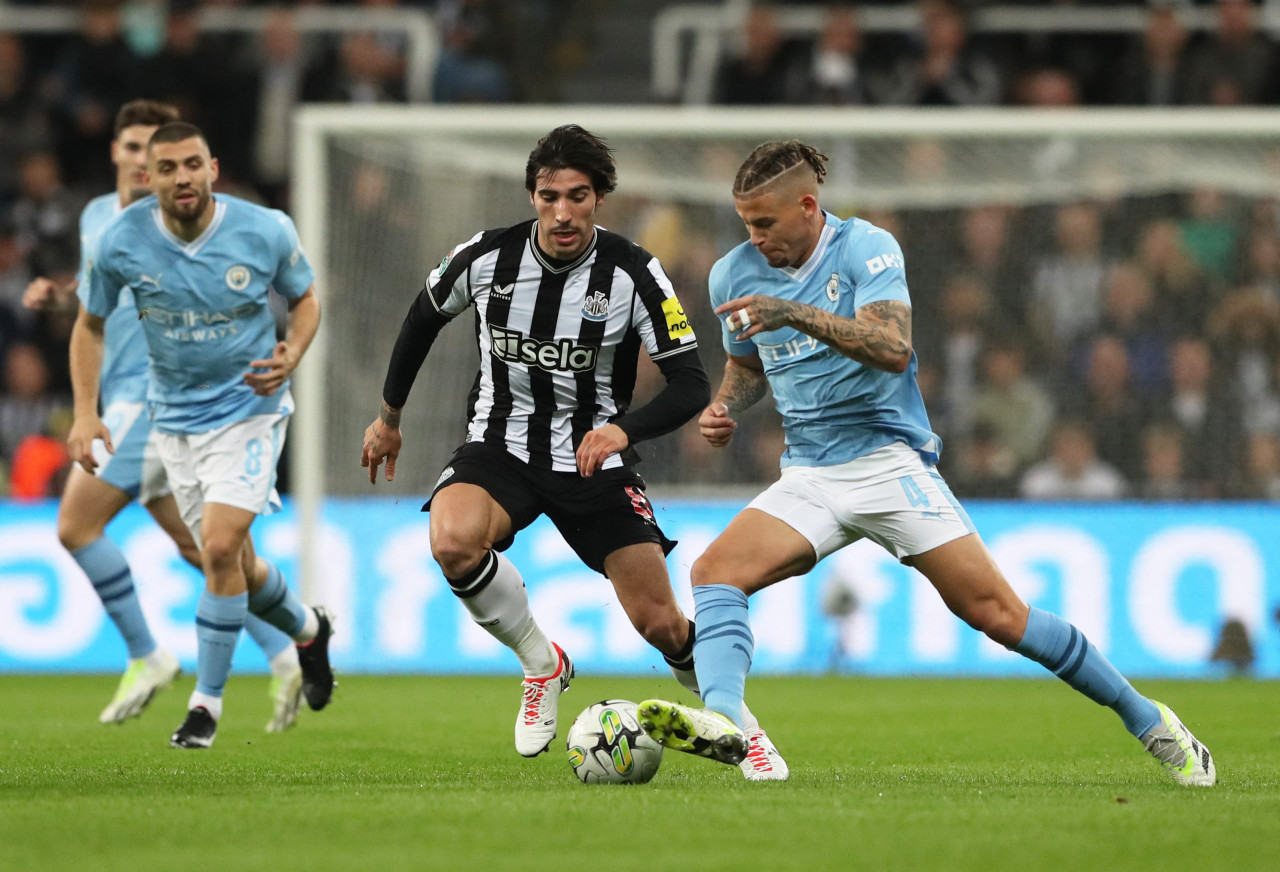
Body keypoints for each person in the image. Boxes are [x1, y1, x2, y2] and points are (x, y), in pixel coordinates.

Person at [636, 141, 1216, 788]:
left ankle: (1150, 720)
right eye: (746, 223)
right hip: (809, 474)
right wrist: (724, 407)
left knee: (999, 615)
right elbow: (747, 367)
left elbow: (891, 346)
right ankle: (730, 727)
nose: (755, 237)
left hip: (889, 463)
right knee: (715, 574)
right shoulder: (733, 273)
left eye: (765, 222)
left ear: (807, 205)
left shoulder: (866, 247)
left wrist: (790, 309)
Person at [361, 124, 789, 781]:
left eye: (578, 196)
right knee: (452, 541)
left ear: (600, 198)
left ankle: (746, 731)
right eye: (549, 195)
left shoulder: (634, 272)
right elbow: (422, 318)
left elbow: (691, 384)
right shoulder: (486, 257)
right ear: (533, 196)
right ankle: (542, 662)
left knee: (662, 624)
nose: (562, 212)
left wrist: (625, 430)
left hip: (596, 455)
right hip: (499, 442)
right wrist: (389, 417)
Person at [23, 100, 305, 732]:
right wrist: (57, 294)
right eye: (135, 148)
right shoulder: (103, 219)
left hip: (158, 401)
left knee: (78, 526)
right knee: (205, 549)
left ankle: (152, 656)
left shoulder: (193, 226)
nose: (153, 166)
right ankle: (288, 646)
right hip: (125, 401)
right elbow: (101, 299)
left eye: (169, 155)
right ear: (125, 158)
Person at [78, 121, 334, 749]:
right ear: (151, 177)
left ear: (212, 167)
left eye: (192, 164)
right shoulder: (121, 241)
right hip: (174, 423)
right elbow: (89, 325)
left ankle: (205, 706)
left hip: (250, 409)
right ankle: (307, 628)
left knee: (218, 549)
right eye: (168, 168)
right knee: (235, 563)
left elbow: (305, 299)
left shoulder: (264, 228)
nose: (182, 177)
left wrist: (293, 350)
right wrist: (86, 411)